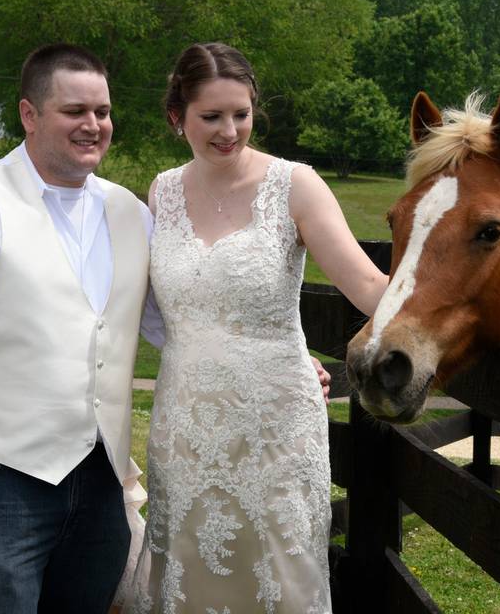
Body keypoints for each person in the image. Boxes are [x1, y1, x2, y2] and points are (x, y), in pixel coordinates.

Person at [118, 42, 388, 614]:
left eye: (240, 114)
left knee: (278, 575)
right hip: (184, 425)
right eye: (211, 117)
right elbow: (161, 311)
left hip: (277, 427)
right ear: (177, 117)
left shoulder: (296, 185)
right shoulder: (162, 192)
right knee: (190, 573)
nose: (229, 131)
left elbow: (366, 287)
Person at [0, 43, 164, 613]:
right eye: (75, 111)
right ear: (29, 114)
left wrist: (282, 361)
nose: (93, 125)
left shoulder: (130, 213)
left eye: (103, 111)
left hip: (100, 481)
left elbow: (176, 327)